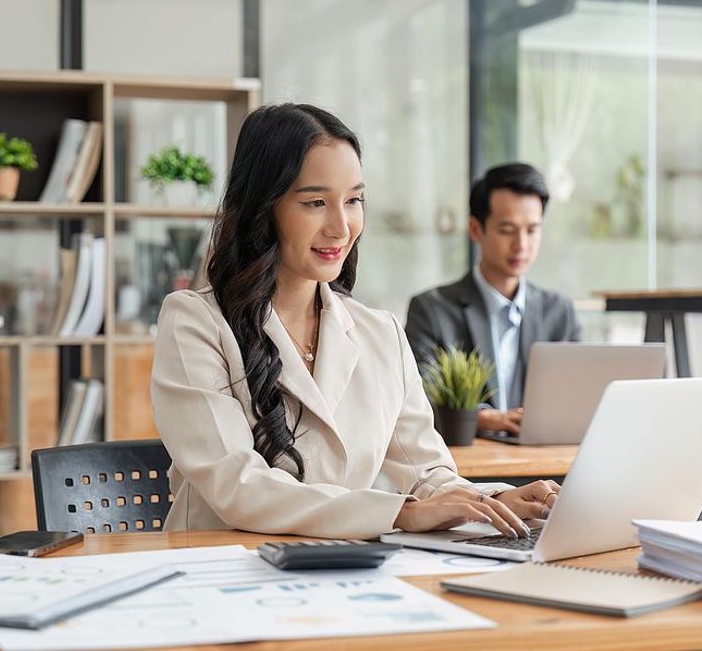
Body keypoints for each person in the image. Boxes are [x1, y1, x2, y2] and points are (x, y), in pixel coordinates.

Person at [151, 104, 559, 540]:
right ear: (262, 207)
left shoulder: (379, 332)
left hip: (343, 573)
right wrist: (401, 513)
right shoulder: (194, 322)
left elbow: (429, 476)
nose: (341, 227)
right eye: (315, 203)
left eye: (353, 200)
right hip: (219, 575)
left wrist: (495, 503)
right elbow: (239, 487)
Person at [405, 163, 581, 436]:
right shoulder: (432, 310)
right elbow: (418, 401)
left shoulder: (559, 312)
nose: (521, 244)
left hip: (544, 464)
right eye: (507, 230)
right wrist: (483, 419)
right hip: (470, 470)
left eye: (532, 230)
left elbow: (577, 399)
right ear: (476, 230)